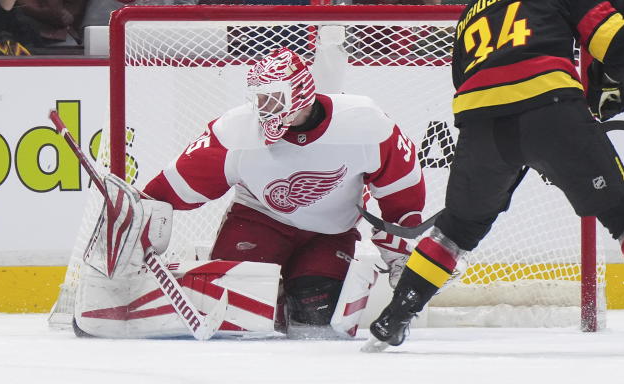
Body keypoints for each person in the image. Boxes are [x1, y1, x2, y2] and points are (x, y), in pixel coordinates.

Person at [366, 0, 624, 355]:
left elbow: (465, 83)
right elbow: (621, 47)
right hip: (552, 113)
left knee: (458, 227)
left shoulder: (470, 13)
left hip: (481, 130)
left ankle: (394, 317)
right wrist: (600, 88)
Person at [100, 47, 426, 338]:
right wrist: (137, 212)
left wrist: (401, 252)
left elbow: (402, 188)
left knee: (316, 320)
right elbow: (181, 182)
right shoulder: (237, 131)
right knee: (233, 310)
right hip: (259, 221)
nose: (263, 110)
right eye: (259, 100)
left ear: (300, 93)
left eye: (272, 99)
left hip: (331, 234)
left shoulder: (364, 122)